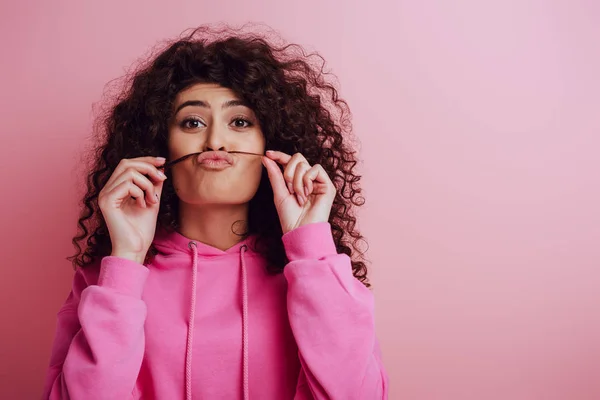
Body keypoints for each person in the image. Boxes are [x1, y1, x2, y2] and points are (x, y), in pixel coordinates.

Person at [43, 25, 388, 400]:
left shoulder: (318, 274)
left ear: (271, 145)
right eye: (192, 122)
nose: (215, 141)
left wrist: (311, 246)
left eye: (240, 122)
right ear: (161, 144)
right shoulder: (108, 281)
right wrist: (127, 257)